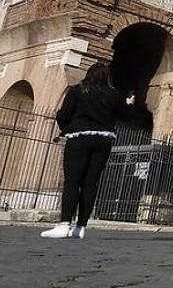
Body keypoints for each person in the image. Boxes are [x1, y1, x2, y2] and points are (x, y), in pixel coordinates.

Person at [41, 62, 134, 239]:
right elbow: (124, 117)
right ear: (107, 77)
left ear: (89, 74)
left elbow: (63, 114)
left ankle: (63, 225)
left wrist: (67, 128)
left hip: (80, 137)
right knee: (90, 183)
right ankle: (81, 227)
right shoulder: (114, 94)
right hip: (104, 139)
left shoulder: (78, 90)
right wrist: (129, 104)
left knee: (72, 182)